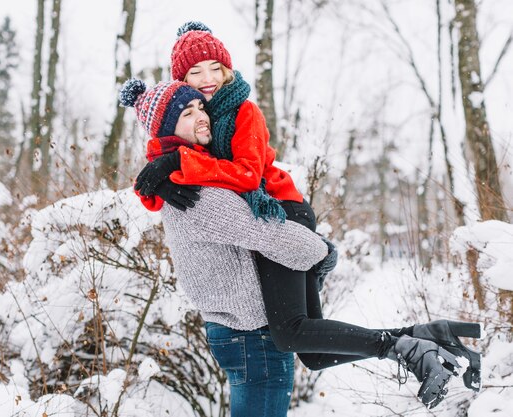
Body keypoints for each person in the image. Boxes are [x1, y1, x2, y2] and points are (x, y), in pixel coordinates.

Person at [119, 78, 478, 412]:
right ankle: (416, 343)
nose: (202, 115)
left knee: (308, 347)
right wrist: (322, 252)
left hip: (245, 335)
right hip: (248, 337)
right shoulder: (196, 192)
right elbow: (272, 236)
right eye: (188, 112)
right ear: (166, 129)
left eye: (200, 106)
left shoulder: (194, 171)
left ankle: (415, 342)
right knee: (306, 346)